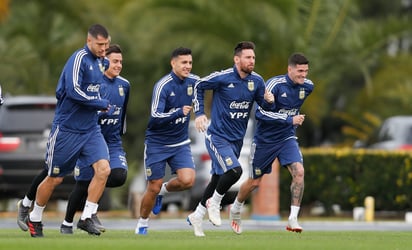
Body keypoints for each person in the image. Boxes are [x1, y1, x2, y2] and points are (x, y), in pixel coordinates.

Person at [24, 24, 111, 237]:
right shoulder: (79, 59)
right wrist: (97, 102)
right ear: (89, 40)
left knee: (104, 170)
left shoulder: (102, 62)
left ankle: (86, 217)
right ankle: (34, 217)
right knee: (55, 178)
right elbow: (73, 91)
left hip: (90, 129)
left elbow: (97, 86)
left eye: (106, 44)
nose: (103, 48)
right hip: (67, 130)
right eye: (100, 44)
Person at [187, 41, 274, 237]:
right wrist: (200, 113)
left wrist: (270, 102)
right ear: (237, 59)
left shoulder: (257, 81)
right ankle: (214, 203)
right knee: (235, 171)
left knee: (218, 177)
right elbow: (198, 85)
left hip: (236, 140)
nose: (252, 61)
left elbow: (262, 108)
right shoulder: (223, 77)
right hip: (216, 136)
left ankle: (197, 215)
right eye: (247, 57)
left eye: (253, 57)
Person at [229, 53, 314, 234]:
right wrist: (288, 119)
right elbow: (259, 114)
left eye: (306, 71)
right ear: (289, 69)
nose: (303, 75)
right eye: (300, 71)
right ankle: (236, 208)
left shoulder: (308, 87)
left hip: (287, 139)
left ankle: (293, 218)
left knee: (299, 172)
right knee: (254, 183)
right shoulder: (274, 85)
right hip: (264, 141)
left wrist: (289, 123)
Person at [58, 44, 130, 234]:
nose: (118, 65)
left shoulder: (125, 85)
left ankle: (90, 212)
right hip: (90, 136)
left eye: (121, 62)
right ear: (104, 61)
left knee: (118, 175)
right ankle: (67, 223)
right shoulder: (94, 84)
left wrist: (120, 132)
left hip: (112, 141)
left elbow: (122, 114)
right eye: (115, 61)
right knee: (83, 183)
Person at [135, 47, 199, 235]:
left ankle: (163, 191)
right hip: (157, 144)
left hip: (180, 143)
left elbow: (212, 86)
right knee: (152, 187)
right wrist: (178, 112)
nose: (187, 66)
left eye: (190, 63)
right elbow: (155, 116)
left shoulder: (195, 82)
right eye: (183, 63)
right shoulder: (163, 85)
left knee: (188, 180)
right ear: (173, 63)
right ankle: (142, 223)